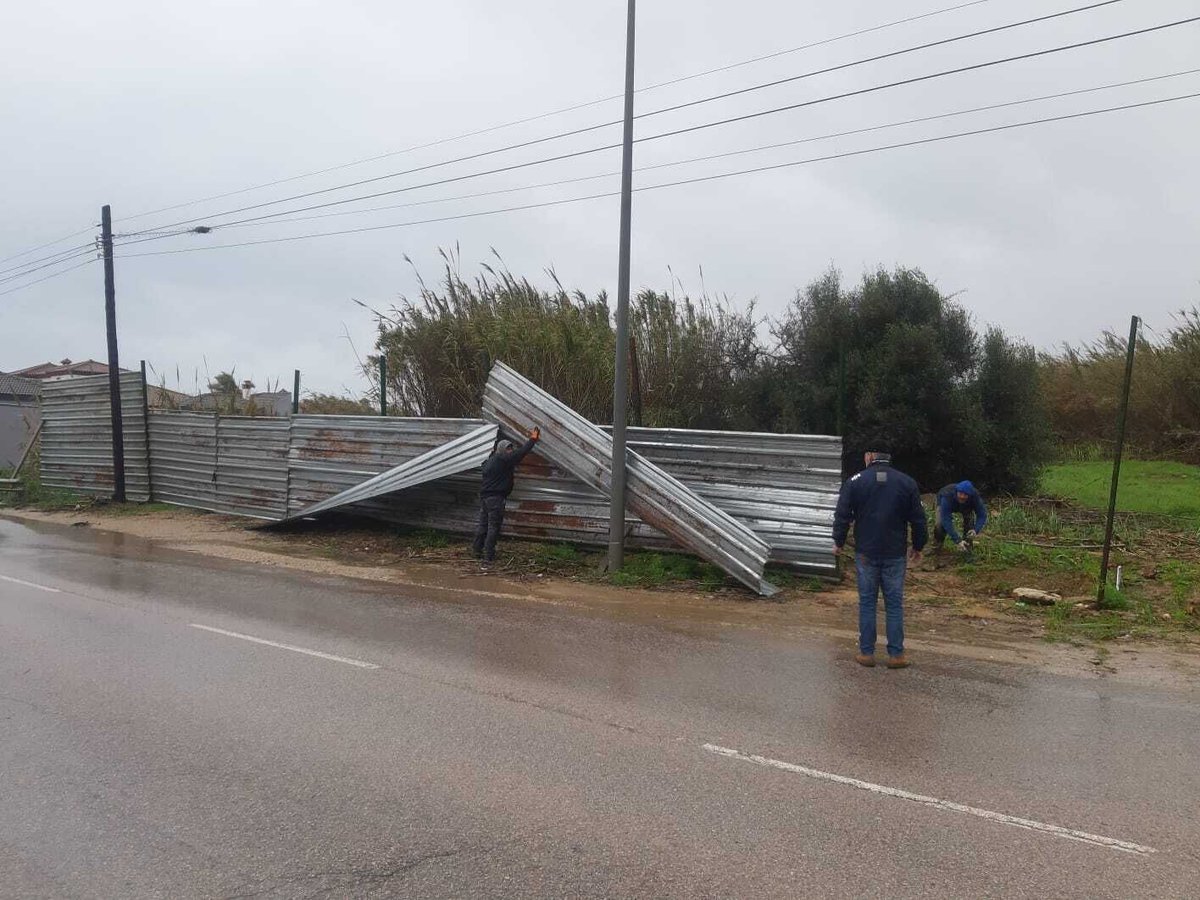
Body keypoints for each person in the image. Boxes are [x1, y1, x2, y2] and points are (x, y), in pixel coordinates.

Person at [833, 447, 928, 669]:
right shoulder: (906, 483)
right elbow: (918, 520)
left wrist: (838, 541)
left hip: (866, 552)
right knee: (894, 604)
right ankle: (896, 655)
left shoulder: (855, 481)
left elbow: (842, 515)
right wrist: (918, 546)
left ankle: (867, 653)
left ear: (869, 457)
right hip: (895, 553)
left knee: (867, 602)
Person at [472, 426, 540, 564]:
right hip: (496, 499)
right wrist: (532, 439)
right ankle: (488, 556)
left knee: (483, 525)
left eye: (511, 448)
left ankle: (476, 550)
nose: (511, 451)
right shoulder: (504, 459)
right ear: (502, 450)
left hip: (485, 498)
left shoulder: (489, 461)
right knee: (493, 527)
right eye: (509, 448)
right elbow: (521, 452)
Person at [933, 480, 988, 553]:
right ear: (956, 492)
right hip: (946, 503)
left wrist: (976, 530)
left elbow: (982, 515)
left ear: (970, 495)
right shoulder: (947, 495)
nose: (962, 496)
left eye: (965, 494)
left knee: (969, 522)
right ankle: (938, 544)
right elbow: (946, 519)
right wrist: (957, 540)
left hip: (966, 506)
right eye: (960, 493)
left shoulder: (975, 496)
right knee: (939, 524)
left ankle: (967, 546)